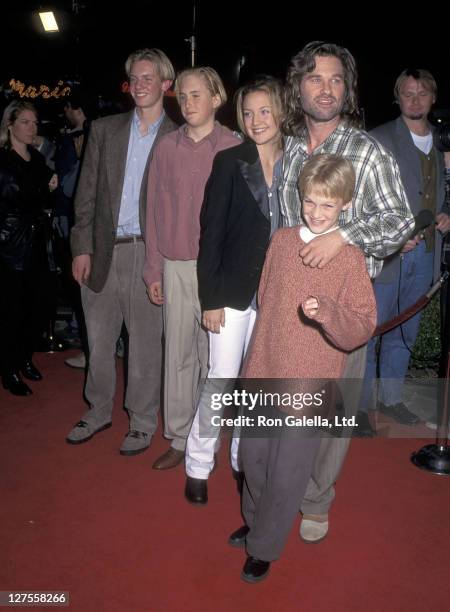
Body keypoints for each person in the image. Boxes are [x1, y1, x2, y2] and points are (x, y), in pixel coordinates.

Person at [280, 41, 414, 544]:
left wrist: (344, 235)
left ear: (348, 89)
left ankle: (317, 499)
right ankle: (282, 487)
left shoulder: (366, 150)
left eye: (337, 80)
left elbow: (398, 220)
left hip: (344, 298)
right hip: (288, 295)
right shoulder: (288, 145)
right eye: (316, 78)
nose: (327, 88)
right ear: (298, 86)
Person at [230, 154, 376, 583]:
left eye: (328, 205)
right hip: (264, 368)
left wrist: (328, 312)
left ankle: (265, 545)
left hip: (309, 381)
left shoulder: (350, 259)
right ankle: (256, 520)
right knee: (252, 459)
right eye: (310, 201)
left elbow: (363, 326)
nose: (316, 212)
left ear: (345, 204)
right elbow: (264, 297)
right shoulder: (280, 240)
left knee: (287, 471)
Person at [66, 48, 176, 456]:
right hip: (101, 250)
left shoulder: (177, 137)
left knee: (146, 343)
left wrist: (167, 265)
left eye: (150, 78)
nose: (141, 84)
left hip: (149, 254)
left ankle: (143, 420)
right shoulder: (105, 129)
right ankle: (97, 410)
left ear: (166, 85)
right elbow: (85, 195)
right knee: (98, 338)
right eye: (136, 77)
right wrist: (81, 246)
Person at [183, 76, 284, 505]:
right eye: (248, 112)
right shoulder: (228, 162)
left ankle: (245, 462)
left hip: (277, 296)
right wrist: (210, 299)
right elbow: (211, 235)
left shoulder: (298, 161)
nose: (256, 120)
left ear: (281, 112)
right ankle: (198, 464)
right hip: (231, 294)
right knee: (221, 381)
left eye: (264, 111)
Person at [144, 67, 239, 470]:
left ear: (217, 98)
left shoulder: (235, 146)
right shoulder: (166, 147)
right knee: (179, 355)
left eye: (197, 95)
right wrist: (153, 270)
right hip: (177, 265)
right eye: (182, 96)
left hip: (217, 269)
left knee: (215, 360)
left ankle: (208, 437)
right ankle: (181, 438)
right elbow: (152, 210)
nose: (187, 103)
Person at [359, 69, 450, 431]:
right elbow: (361, 197)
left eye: (422, 92)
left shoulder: (445, 142)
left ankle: (392, 399)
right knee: (370, 331)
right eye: (408, 93)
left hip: (427, 252)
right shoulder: (378, 139)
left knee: (404, 333)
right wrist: (390, 234)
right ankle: (362, 406)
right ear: (398, 97)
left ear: (432, 98)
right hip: (388, 255)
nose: (415, 99)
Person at [0, 100, 58, 395]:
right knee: (12, 309)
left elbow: (46, 197)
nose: (32, 127)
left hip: (36, 243)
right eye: (25, 122)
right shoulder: (3, 160)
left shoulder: (36, 158)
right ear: (9, 124)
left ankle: (23, 357)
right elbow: (19, 199)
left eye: (34, 122)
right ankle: (9, 367)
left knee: (38, 305)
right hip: (11, 245)